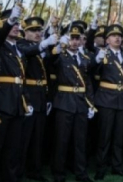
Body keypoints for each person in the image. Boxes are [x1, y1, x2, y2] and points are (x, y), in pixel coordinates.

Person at [0, 6, 33, 182]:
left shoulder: (19, 48)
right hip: (2, 101)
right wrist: (8, 23)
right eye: (13, 24)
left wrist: (26, 100)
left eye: (17, 24)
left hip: (17, 102)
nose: (16, 27)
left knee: (13, 146)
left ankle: (10, 177)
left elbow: (22, 78)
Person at [50, 24, 95, 182]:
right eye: (72, 38)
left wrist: (91, 103)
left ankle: (81, 173)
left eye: (77, 38)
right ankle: (59, 173)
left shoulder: (84, 58)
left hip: (81, 103)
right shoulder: (60, 56)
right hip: (64, 102)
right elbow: (51, 60)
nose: (75, 42)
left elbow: (87, 82)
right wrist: (57, 45)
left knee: (80, 140)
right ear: (67, 39)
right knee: (62, 140)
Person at [92, 24, 123, 180]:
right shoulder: (101, 54)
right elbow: (90, 71)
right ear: (107, 39)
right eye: (113, 36)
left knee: (119, 136)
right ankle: (101, 167)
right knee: (104, 136)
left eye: (119, 36)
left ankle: (117, 166)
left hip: (122, 99)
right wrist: (97, 61)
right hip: (106, 99)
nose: (117, 38)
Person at [17, 17, 57, 181]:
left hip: (41, 96)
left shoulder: (42, 49)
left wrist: (48, 97)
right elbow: (28, 52)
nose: (37, 33)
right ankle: (18, 171)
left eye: (39, 31)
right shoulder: (21, 45)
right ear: (25, 32)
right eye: (33, 31)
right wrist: (44, 43)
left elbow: (48, 72)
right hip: (28, 96)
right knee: (24, 138)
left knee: (38, 138)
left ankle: (35, 170)